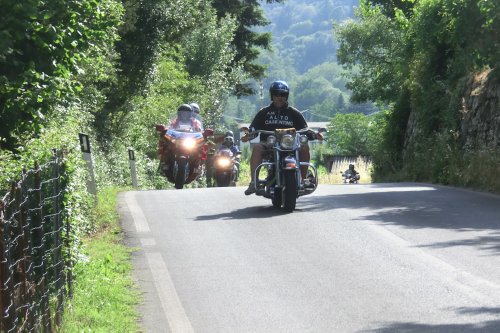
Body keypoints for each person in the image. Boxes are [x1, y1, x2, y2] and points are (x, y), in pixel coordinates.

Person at [242, 80, 320, 195]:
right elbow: (254, 128)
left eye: (283, 94)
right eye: (276, 94)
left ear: (286, 96)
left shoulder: (294, 113)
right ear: (272, 96)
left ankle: (303, 180)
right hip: (269, 144)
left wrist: (315, 135)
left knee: (304, 146)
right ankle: (254, 182)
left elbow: (305, 130)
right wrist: (249, 135)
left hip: (290, 144)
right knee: (257, 147)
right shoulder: (264, 112)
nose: (280, 97)